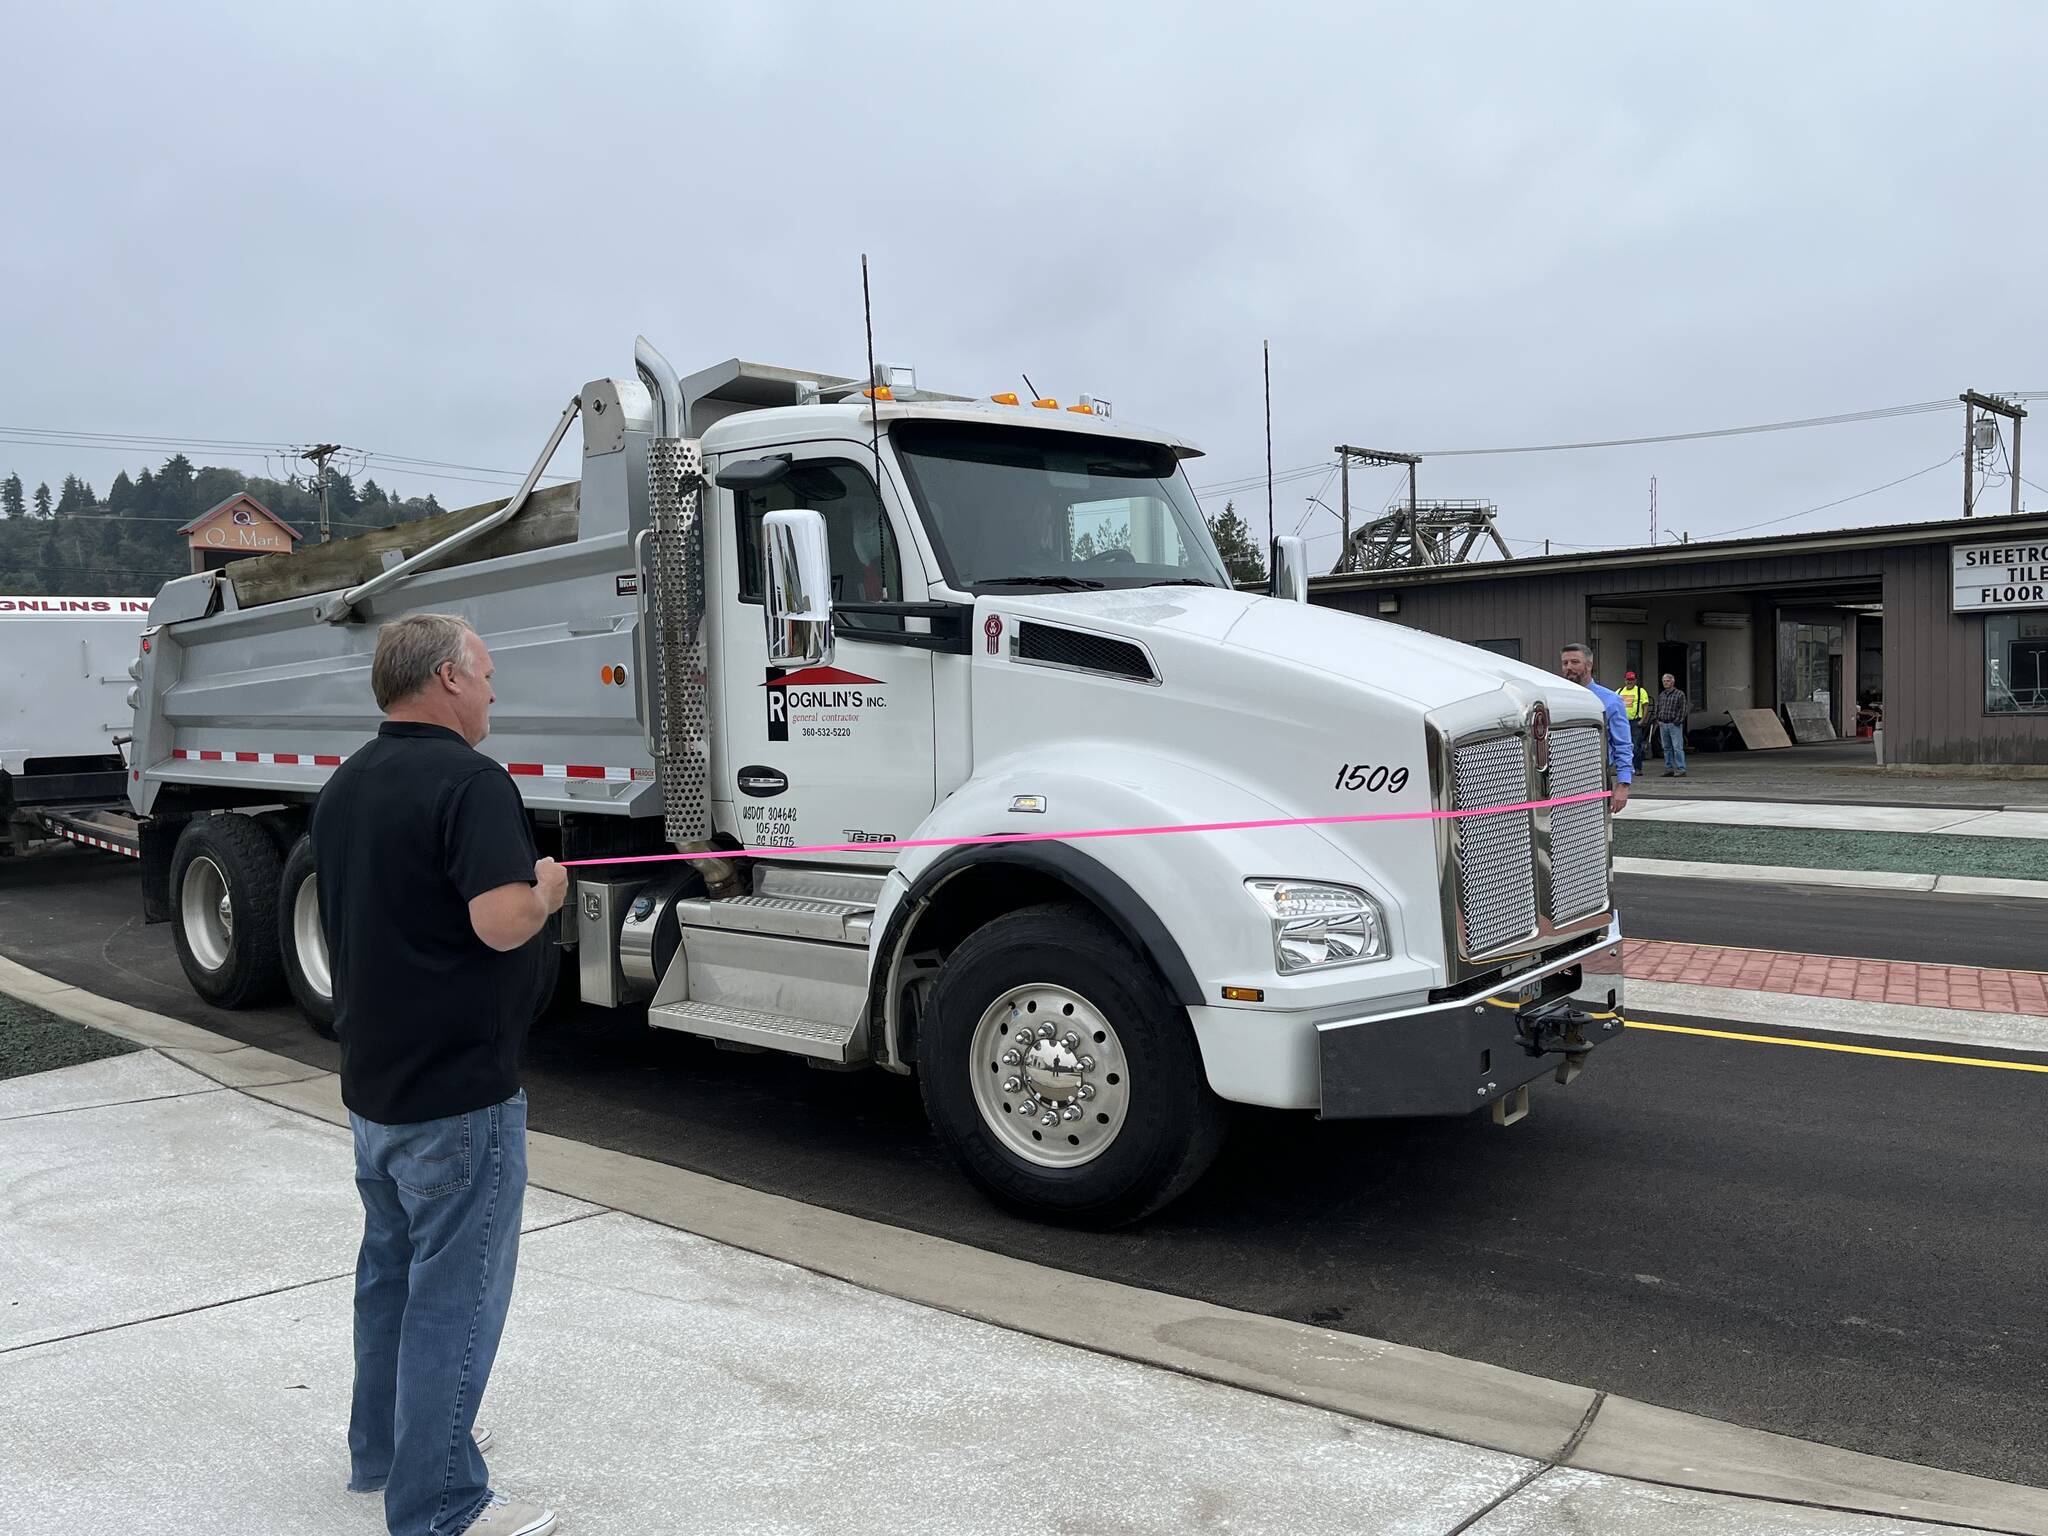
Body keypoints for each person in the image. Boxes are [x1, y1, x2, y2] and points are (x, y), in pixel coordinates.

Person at [311, 612, 568, 1536]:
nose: (496, 690)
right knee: (454, 1304)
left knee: (390, 1277)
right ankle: (440, 1507)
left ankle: (382, 1455)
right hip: (460, 1098)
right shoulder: (472, 780)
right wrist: (547, 887)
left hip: (376, 1091)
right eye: (489, 673)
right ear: (449, 678)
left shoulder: (347, 784)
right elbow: (501, 920)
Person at [1558, 642, 1632, 810]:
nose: (1569, 667)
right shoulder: (1556, 699)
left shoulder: (1611, 701)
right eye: (1565, 663)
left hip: (1595, 779)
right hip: (1561, 779)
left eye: (1575, 662)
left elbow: (1623, 745)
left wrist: (1623, 785)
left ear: (1589, 665)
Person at [1653, 671, 1692, 777]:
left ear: (1672, 682)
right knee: (1666, 748)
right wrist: (1658, 719)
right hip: (1663, 724)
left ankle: (1681, 769)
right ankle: (1668, 769)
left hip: (1674, 725)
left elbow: (1683, 709)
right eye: (1664, 681)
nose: (1665, 683)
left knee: (1677, 747)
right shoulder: (1662, 695)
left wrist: (1677, 721)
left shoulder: (1680, 694)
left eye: (1668, 681)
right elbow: (1657, 707)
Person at [1619, 670, 1652, 767]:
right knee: (1623, 746)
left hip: (1635, 722)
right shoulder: (1620, 691)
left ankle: (1637, 767)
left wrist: (1643, 720)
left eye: (1632, 680)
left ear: (1635, 680)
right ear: (1625, 680)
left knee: (1636, 745)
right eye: (1628, 679)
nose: (1630, 682)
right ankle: (1626, 766)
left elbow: (1646, 706)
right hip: (1623, 722)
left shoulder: (1640, 691)